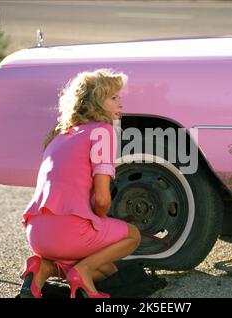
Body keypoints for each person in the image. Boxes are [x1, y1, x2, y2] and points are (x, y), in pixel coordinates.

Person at [19, 69, 141, 298]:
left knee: (108, 270)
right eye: (113, 98)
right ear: (95, 102)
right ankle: (82, 272)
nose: (120, 102)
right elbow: (103, 200)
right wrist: (101, 217)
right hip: (70, 232)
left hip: (37, 235)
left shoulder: (59, 135)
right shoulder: (102, 132)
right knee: (132, 235)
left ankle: (42, 267)